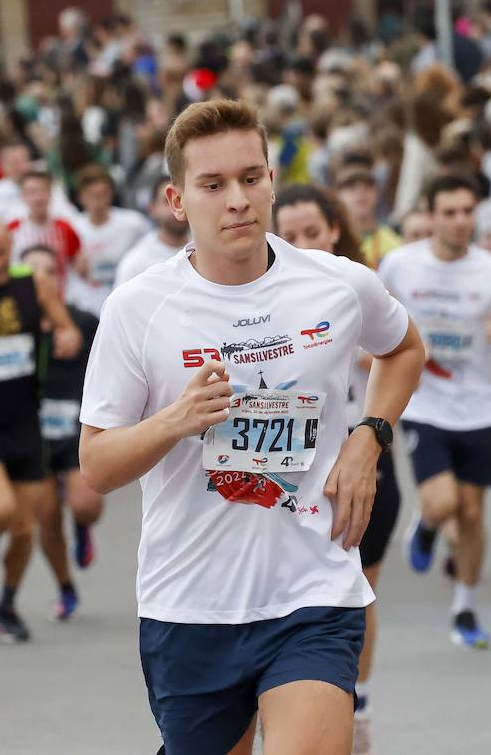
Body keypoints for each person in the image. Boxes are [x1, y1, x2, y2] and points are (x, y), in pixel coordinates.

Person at [78, 100, 424, 755]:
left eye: (251, 177)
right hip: (191, 605)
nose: (237, 200)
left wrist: (368, 435)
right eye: (213, 185)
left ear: (270, 179)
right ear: (178, 201)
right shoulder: (139, 309)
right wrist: (173, 422)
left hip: (313, 592)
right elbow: (96, 465)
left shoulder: (336, 285)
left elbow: (405, 349)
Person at [272, 183, 403, 754]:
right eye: (291, 232)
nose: (302, 242)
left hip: (356, 464)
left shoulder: (353, 285)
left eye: (312, 231)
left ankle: (356, 691)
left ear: (333, 230)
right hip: (276, 474)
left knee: (356, 588)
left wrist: (368, 432)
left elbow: (400, 351)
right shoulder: (256, 292)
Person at [379, 175, 491, 651]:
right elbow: (377, 321)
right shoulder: (400, 265)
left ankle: (465, 606)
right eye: (449, 212)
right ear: (430, 216)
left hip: (479, 405)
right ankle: (427, 523)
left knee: (473, 515)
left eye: (467, 211)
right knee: (443, 503)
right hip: (425, 401)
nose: (460, 221)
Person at [0, 215, 81, 642]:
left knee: (24, 530)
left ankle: (5, 603)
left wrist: (65, 337)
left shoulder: (33, 284)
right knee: (1, 509)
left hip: (25, 420)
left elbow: (67, 328)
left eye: (0, 253)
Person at [20, 244, 103, 621]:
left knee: (85, 504)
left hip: (75, 431)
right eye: (32, 272)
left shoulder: (85, 323)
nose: (41, 279)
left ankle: (83, 528)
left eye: (49, 271)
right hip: (30, 435)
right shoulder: (12, 326)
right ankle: (65, 587)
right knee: (47, 518)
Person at [65, 165, 150, 316]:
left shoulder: (134, 223)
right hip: (87, 305)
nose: (97, 200)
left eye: (102, 194)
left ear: (111, 193)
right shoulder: (71, 227)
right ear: (80, 197)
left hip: (127, 299)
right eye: (92, 195)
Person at [113, 176, 190, 285]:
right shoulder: (136, 263)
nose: (177, 208)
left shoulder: (209, 251)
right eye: (167, 201)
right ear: (152, 208)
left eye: (181, 200)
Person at [8, 170, 80, 273]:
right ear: (23, 196)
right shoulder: (12, 230)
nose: (38, 198)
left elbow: (77, 264)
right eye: (31, 192)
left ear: (50, 193)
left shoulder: (65, 228)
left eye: (42, 190)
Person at [335, 167, 401, 267]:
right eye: (352, 188)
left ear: (377, 194)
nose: (361, 194)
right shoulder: (332, 240)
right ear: (337, 195)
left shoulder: (394, 243)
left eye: (367, 188)